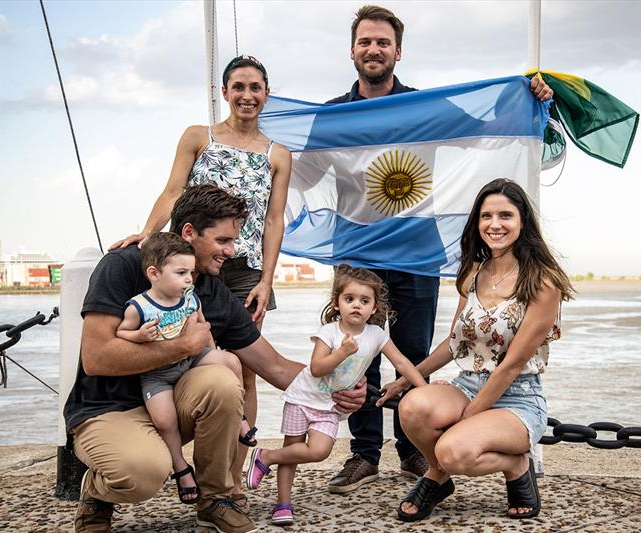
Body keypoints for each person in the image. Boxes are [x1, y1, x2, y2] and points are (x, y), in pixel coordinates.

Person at [325, 4, 556, 494]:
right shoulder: (331, 117)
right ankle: (363, 454)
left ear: (397, 52)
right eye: (365, 41)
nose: (373, 49)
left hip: (416, 250)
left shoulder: (424, 108)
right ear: (352, 50)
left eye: (383, 42)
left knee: (411, 350)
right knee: (355, 355)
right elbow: (292, 163)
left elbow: (484, 124)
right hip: (358, 253)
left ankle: (412, 450)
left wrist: (528, 96)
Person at [67, 184, 365, 533]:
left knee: (225, 377)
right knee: (143, 474)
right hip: (108, 409)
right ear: (190, 233)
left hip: (172, 405)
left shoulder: (211, 289)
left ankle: (214, 499)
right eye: (223, 241)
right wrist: (183, 346)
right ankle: (98, 493)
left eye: (233, 241)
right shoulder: (123, 266)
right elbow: (96, 358)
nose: (231, 251)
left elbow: (275, 366)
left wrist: (340, 386)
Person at [110, 54, 292, 505]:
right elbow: (173, 191)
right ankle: (160, 448)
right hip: (187, 265)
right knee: (176, 354)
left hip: (243, 269)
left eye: (256, 88)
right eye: (239, 87)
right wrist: (148, 237)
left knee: (244, 372)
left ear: (267, 94)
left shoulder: (278, 155)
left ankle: (229, 479)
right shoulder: (198, 137)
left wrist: (266, 280)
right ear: (225, 92)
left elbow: (273, 221)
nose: (247, 96)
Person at [380, 178, 573, 521]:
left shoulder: (544, 282)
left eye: (505, 216)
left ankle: (513, 465)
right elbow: (456, 342)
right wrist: (409, 379)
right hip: (468, 384)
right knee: (410, 408)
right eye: (486, 216)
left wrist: (467, 418)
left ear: (522, 221)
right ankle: (439, 474)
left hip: (518, 397)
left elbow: (512, 364)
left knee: (454, 451)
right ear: (477, 222)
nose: (494, 224)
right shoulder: (473, 271)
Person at [244, 265, 427, 525]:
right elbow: (317, 368)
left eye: (365, 301)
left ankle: (265, 457)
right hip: (302, 398)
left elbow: (403, 364)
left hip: (329, 407)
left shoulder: (376, 335)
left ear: (374, 308)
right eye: (349, 299)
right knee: (293, 451)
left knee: (319, 450)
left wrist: (423, 387)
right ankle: (283, 504)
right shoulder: (329, 332)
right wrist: (341, 352)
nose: (356, 306)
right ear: (337, 302)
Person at [115, 232, 257, 505]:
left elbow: (204, 330)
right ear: (154, 273)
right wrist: (139, 337)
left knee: (232, 361)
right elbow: (121, 333)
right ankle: (181, 469)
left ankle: (239, 418)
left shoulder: (191, 299)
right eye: (181, 273)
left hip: (192, 360)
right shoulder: (139, 307)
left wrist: (214, 356)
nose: (189, 280)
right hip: (157, 374)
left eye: (190, 273)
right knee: (165, 421)